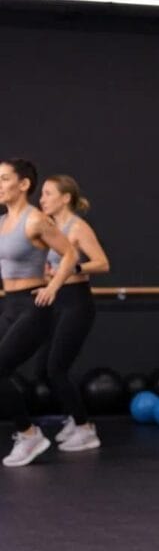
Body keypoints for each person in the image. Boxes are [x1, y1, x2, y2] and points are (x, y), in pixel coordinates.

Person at [0, 159, 77, 467]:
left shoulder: (36, 221)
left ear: (23, 184)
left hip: (34, 309)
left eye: (4, 179)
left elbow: (70, 253)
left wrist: (54, 286)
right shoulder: (2, 222)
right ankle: (28, 433)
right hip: (9, 305)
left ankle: (29, 434)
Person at [39, 174, 110, 452]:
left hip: (77, 302)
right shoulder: (50, 228)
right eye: (41, 194)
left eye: (47, 193)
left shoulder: (77, 227)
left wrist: (74, 268)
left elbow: (102, 263)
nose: (42, 199)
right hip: (56, 301)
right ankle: (74, 418)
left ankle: (84, 429)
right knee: (45, 369)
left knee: (56, 368)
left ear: (65, 198)